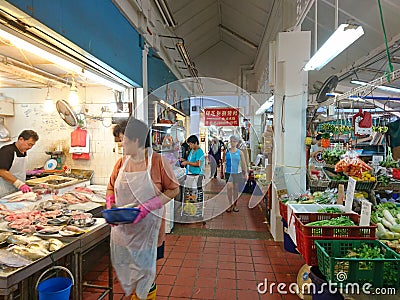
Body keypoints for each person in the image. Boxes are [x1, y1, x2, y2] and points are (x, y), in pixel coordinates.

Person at [106, 118, 179, 299]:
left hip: (149, 232)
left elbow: (174, 189)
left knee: (145, 275)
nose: (121, 145)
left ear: (136, 140)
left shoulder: (158, 162)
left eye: (123, 140)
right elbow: (110, 187)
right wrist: (111, 204)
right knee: (131, 273)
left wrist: (149, 206)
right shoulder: (121, 163)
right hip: (123, 231)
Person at [0, 130, 39, 198]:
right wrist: (19, 184)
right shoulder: (7, 151)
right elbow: (2, 171)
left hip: (16, 191)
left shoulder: (23, 151)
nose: (30, 147)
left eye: (32, 145)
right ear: (21, 139)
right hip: (4, 192)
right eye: (29, 144)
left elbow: (15, 170)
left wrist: (29, 172)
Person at [223, 135, 248, 212]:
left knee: (236, 189)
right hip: (228, 172)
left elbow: (243, 163)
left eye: (234, 141)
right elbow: (224, 162)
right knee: (229, 188)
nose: (233, 143)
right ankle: (230, 204)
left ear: (237, 142)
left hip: (237, 173)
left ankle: (235, 205)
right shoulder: (226, 151)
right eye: (231, 141)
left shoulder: (240, 152)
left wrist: (246, 173)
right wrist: (222, 171)